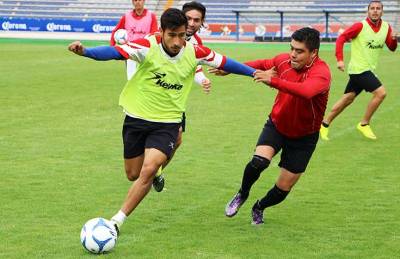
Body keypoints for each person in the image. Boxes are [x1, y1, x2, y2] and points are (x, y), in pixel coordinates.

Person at [68, 8, 255, 233]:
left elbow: (226, 62)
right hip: (136, 118)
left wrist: (254, 72)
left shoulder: (195, 51)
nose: (177, 41)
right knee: (133, 174)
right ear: (161, 32)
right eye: (172, 35)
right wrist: (86, 51)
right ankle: (155, 172)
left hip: (167, 122)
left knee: (148, 169)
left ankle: (116, 222)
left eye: (182, 35)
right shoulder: (146, 46)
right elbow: (113, 52)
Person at [211, 27, 331, 225]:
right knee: (259, 162)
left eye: (299, 51)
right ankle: (242, 193)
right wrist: (230, 69)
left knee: (283, 189)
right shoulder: (284, 60)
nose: (293, 54)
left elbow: (306, 91)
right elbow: (261, 64)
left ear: (314, 53)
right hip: (277, 125)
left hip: (304, 137)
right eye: (292, 48)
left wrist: (273, 80)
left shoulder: (321, 73)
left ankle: (259, 206)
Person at [320, 0, 397, 140]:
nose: (375, 11)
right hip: (359, 69)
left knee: (347, 99)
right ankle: (364, 124)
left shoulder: (386, 27)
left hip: (368, 69)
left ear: (382, 11)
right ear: (367, 11)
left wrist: (395, 39)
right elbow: (341, 38)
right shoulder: (360, 26)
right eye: (372, 8)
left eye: (378, 8)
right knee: (381, 93)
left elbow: (391, 47)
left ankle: (324, 124)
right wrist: (340, 59)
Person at [154, 1, 209, 191]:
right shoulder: (161, 37)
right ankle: (149, 171)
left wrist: (202, 80)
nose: (192, 23)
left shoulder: (197, 44)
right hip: (153, 98)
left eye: (197, 20)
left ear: (202, 23)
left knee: (177, 140)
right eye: (189, 19)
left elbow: (196, 68)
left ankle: (155, 171)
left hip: (174, 99)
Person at [110, 0, 158, 80]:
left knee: (145, 78)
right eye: (135, 0)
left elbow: (154, 33)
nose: (137, 2)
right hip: (130, 52)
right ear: (132, 2)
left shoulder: (151, 16)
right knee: (131, 78)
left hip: (145, 52)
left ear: (144, 1)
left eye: (140, 0)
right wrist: (112, 47)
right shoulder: (126, 16)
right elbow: (116, 31)